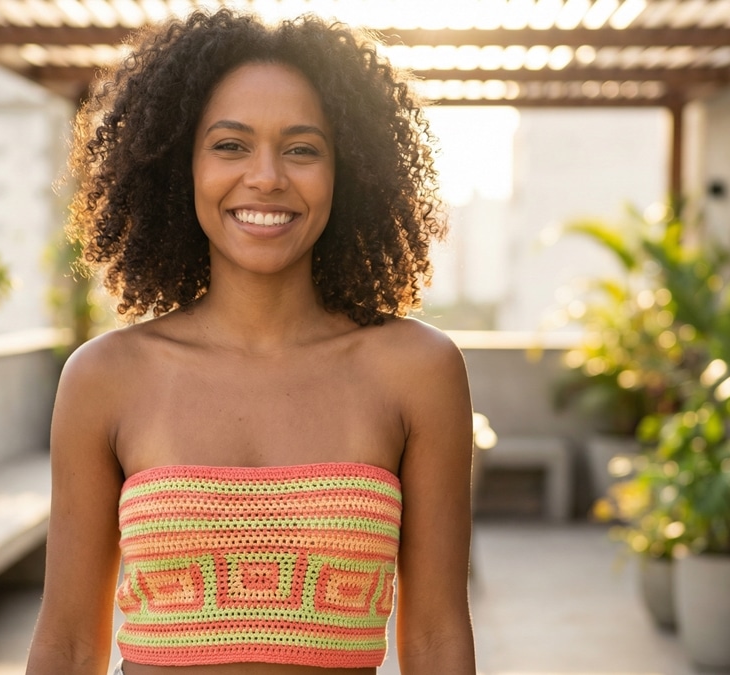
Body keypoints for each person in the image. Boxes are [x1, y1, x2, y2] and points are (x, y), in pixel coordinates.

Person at [26, 9, 475, 675]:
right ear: (181, 166)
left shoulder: (417, 371)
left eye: (301, 148)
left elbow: (436, 638)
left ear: (347, 169)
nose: (266, 177)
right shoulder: (105, 376)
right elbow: (68, 642)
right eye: (230, 145)